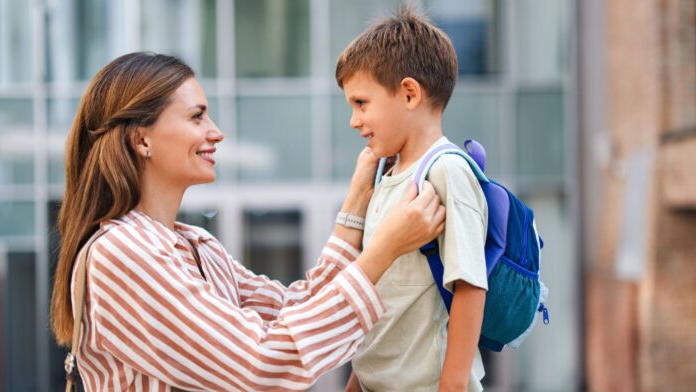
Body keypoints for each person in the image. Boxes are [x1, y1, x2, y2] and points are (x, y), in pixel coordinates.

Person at [49, 52, 447, 391]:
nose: (215, 132)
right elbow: (260, 366)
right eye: (197, 116)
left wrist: (358, 200)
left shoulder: (195, 245)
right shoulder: (123, 254)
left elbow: (295, 309)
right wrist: (383, 251)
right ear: (141, 140)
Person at [336, 5, 489, 392]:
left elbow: (470, 285)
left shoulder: (446, 171)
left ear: (408, 94)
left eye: (361, 103)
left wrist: (452, 385)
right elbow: (387, 301)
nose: (354, 120)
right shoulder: (387, 175)